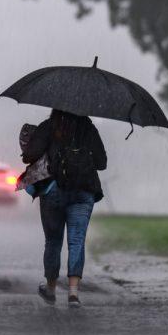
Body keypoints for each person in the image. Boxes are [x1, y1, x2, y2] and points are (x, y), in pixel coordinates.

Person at [21, 108, 107, 308]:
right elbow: (102, 163)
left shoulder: (49, 126)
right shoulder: (88, 129)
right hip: (84, 191)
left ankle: (51, 288)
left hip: (53, 191)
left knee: (53, 241)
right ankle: (73, 293)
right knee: (76, 241)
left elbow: (29, 156)